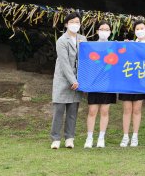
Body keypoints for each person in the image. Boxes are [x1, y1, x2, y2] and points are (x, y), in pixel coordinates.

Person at [50, 12, 85, 149]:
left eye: (77, 22)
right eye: (72, 22)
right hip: (64, 80)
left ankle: (69, 138)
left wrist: (79, 80)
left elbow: (88, 57)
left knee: (72, 111)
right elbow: (64, 63)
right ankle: (55, 138)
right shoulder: (61, 41)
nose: (75, 24)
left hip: (78, 80)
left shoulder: (83, 39)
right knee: (59, 110)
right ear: (66, 24)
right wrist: (72, 80)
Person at [84, 21, 117, 149]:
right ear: (97, 31)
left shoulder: (114, 46)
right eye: (102, 29)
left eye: (107, 29)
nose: (104, 31)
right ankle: (89, 137)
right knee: (92, 111)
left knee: (105, 111)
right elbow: (86, 64)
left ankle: (101, 137)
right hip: (93, 84)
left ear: (110, 32)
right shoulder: (90, 46)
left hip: (108, 84)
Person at [118, 20, 145, 147]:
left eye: (142, 28)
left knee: (137, 110)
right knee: (127, 110)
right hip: (127, 81)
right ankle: (125, 136)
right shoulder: (130, 44)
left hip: (140, 82)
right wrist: (124, 47)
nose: (140, 30)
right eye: (137, 29)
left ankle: (135, 136)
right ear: (134, 31)